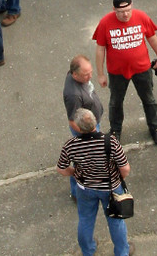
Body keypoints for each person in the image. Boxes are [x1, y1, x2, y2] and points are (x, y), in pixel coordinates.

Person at [56, 109, 132, 256]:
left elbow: (61, 169)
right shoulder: (110, 141)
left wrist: (76, 173)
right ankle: (122, 252)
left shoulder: (71, 145)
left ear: (78, 127)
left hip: (85, 189)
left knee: (85, 220)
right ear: (95, 122)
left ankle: (88, 250)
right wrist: (117, 179)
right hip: (110, 187)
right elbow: (125, 168)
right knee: (116, 221)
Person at [93, 0, 157, 144]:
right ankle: (115, 131)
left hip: (142, 69)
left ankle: (155, 127)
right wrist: (100, 74)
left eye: (128, 10)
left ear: (132, 5)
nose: (125, 14)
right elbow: (100, 49)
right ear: (114, 9)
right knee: (116, 102)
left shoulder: (141, 17)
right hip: (117, 72)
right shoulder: (105, 23)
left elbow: (152, 38)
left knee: (149, 99)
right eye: (121, 12)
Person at [63, 55, 105, 199]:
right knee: (81, 161)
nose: (90, 76)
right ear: (75, 74)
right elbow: (72, 121)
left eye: (90, 72)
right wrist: (91, 134)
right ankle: (77, 193)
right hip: (86, 131)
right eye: (86, 75)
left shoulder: (76, 77)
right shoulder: (73, 95)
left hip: (91, 125)